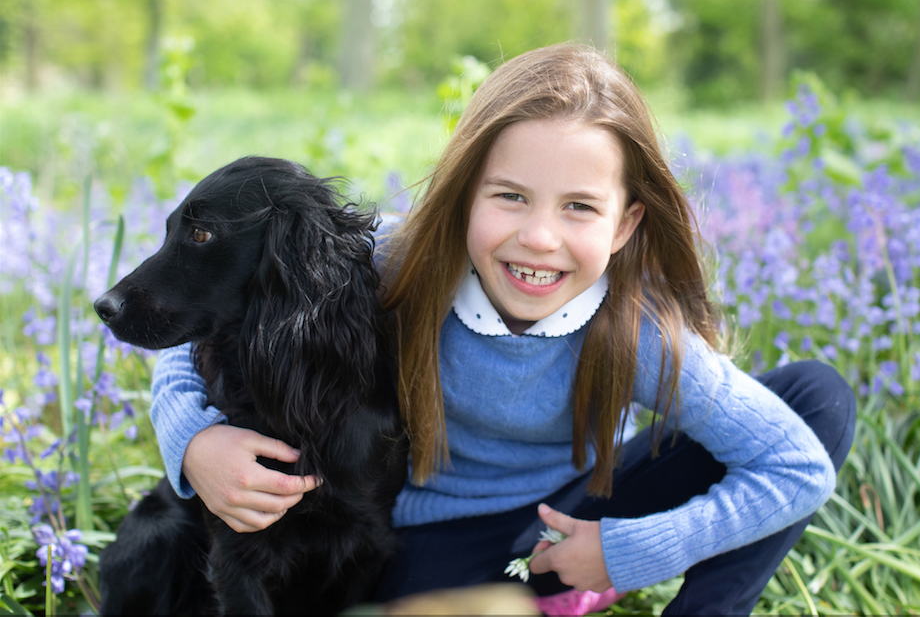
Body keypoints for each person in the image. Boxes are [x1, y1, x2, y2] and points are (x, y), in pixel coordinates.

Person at [149, 43, 856, 615]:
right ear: (464, 195)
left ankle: (631, 593)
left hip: (578, 512)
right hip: (436, 538)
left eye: (579, 207)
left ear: (625, 224)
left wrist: (630, 550)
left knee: (816, 397)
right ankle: (548, 595)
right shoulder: (397, 264)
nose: (539, 237)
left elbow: (796, 468)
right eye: (511, 196)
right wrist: (193, 442)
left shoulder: (634, 329)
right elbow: (205, 318)